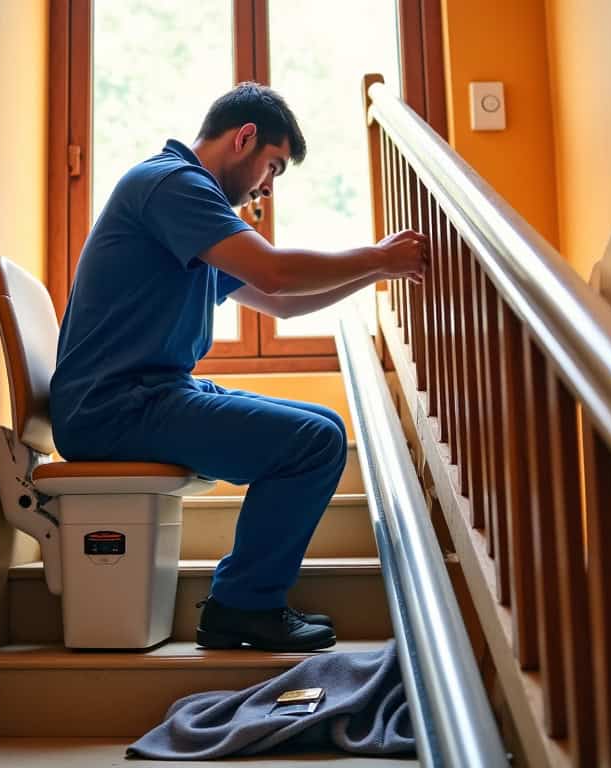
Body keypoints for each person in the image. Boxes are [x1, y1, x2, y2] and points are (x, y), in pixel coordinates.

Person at [50, 82, 429, 651]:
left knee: (321, 431)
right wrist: (378, 255)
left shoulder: (185, 203)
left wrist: (376, 272)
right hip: (116, 405)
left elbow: (277, 300)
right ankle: (243, 606)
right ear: (244, 137)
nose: (266, 187)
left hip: (142, 395)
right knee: (313, 443)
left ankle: (244, 601)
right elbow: (275, 273)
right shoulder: (172, 184)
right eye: (271, 167)